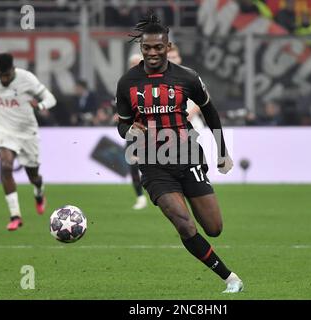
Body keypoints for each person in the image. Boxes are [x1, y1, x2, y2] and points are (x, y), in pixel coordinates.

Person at [116, 14, 243, 293]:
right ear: (141, 49)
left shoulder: (187, 77)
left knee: (213, 228)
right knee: (185, 225)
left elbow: (210, 111)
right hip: (154, 165)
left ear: (167, 45)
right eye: (146, 48)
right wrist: (129, 132)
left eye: (157, 47)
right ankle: (230, 278)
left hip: (188, 157)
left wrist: (222, 151)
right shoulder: (127, 82)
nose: (152, 53)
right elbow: (123, 124)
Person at [0, 53, 57, 231]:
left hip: (27, 132)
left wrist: (39, 106)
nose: (3, 79)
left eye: (6, 75)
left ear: (12, 69)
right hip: (5, 129)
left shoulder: (27, 79)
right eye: (0, 75)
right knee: (6, 166)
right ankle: (15, 215)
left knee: (33, 176)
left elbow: (51, 99)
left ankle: (39, 193)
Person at [126, 53, 148, 210]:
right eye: (132, 63)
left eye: (137, 63)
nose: (135, 66)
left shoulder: (151, 82)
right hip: (133, 131)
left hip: (152, 131)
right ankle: (140, 197)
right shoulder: (125, 84)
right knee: (133, 162)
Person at [167, 44, 205, 131]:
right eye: (169, 57)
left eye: (174, 57)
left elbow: (204, 99)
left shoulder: (190, 76)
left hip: (192, 125)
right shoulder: (157, 79)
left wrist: (188, 115)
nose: (172, 60)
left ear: (179, 59)